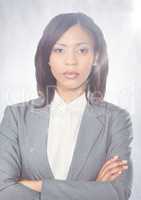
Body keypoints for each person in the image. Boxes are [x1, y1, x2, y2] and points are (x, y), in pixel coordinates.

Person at [0, 12, 133, 200]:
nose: (70, 61)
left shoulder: (117, 119)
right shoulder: (15, 117)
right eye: (59, 50)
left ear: (96, 57)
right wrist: (92, 190)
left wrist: (39, 186)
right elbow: (4, 192)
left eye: (82, 50)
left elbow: (118, 193)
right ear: (47, 57)